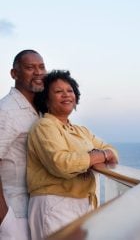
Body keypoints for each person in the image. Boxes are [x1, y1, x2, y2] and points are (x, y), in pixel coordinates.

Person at [27, 70, 119, 239]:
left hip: (83, 203)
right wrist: (98, 156)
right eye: (58, 91)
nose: (66, 95)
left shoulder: (80, 130)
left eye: (69, 91)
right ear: (46, 99)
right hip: (54, 204)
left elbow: (112, 151)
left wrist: (101, 154)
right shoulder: (44, 126)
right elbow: (62, 164)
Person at [0, 49, 46, 239]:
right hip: (14, 212)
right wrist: (5, 220)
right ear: (14, 74)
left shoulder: (42, 110)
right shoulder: (6, 111)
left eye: (42, 67)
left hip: (36, 211)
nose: (38, 73)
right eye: (30, 67)